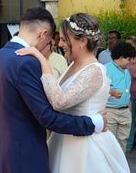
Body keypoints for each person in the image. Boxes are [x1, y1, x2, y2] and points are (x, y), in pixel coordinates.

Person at [0, 7, 107, 173]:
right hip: (24, 156)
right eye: (50, 40)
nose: (55, 45)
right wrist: (94, 122)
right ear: (42, 34)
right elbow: (47, 117)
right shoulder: (26, 62)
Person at [14, 12, 129, 173]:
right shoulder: (72, 65)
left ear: (82, 41)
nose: (59, 44)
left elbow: (59, 102)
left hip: (84, 147)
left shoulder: (95, 70)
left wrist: (41, 60)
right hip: (64, 139)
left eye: (63, 39)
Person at [105, 41, 136, 152]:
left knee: (123, 141)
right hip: (110, 111)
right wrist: (111, 92)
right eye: (129, 59)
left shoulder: (126, 71)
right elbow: (97, 89)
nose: (130, 62)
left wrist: (129, 108)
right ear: (121, 57)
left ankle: (120, 167)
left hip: (125, 111)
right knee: (109, 142)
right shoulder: (106, 69)